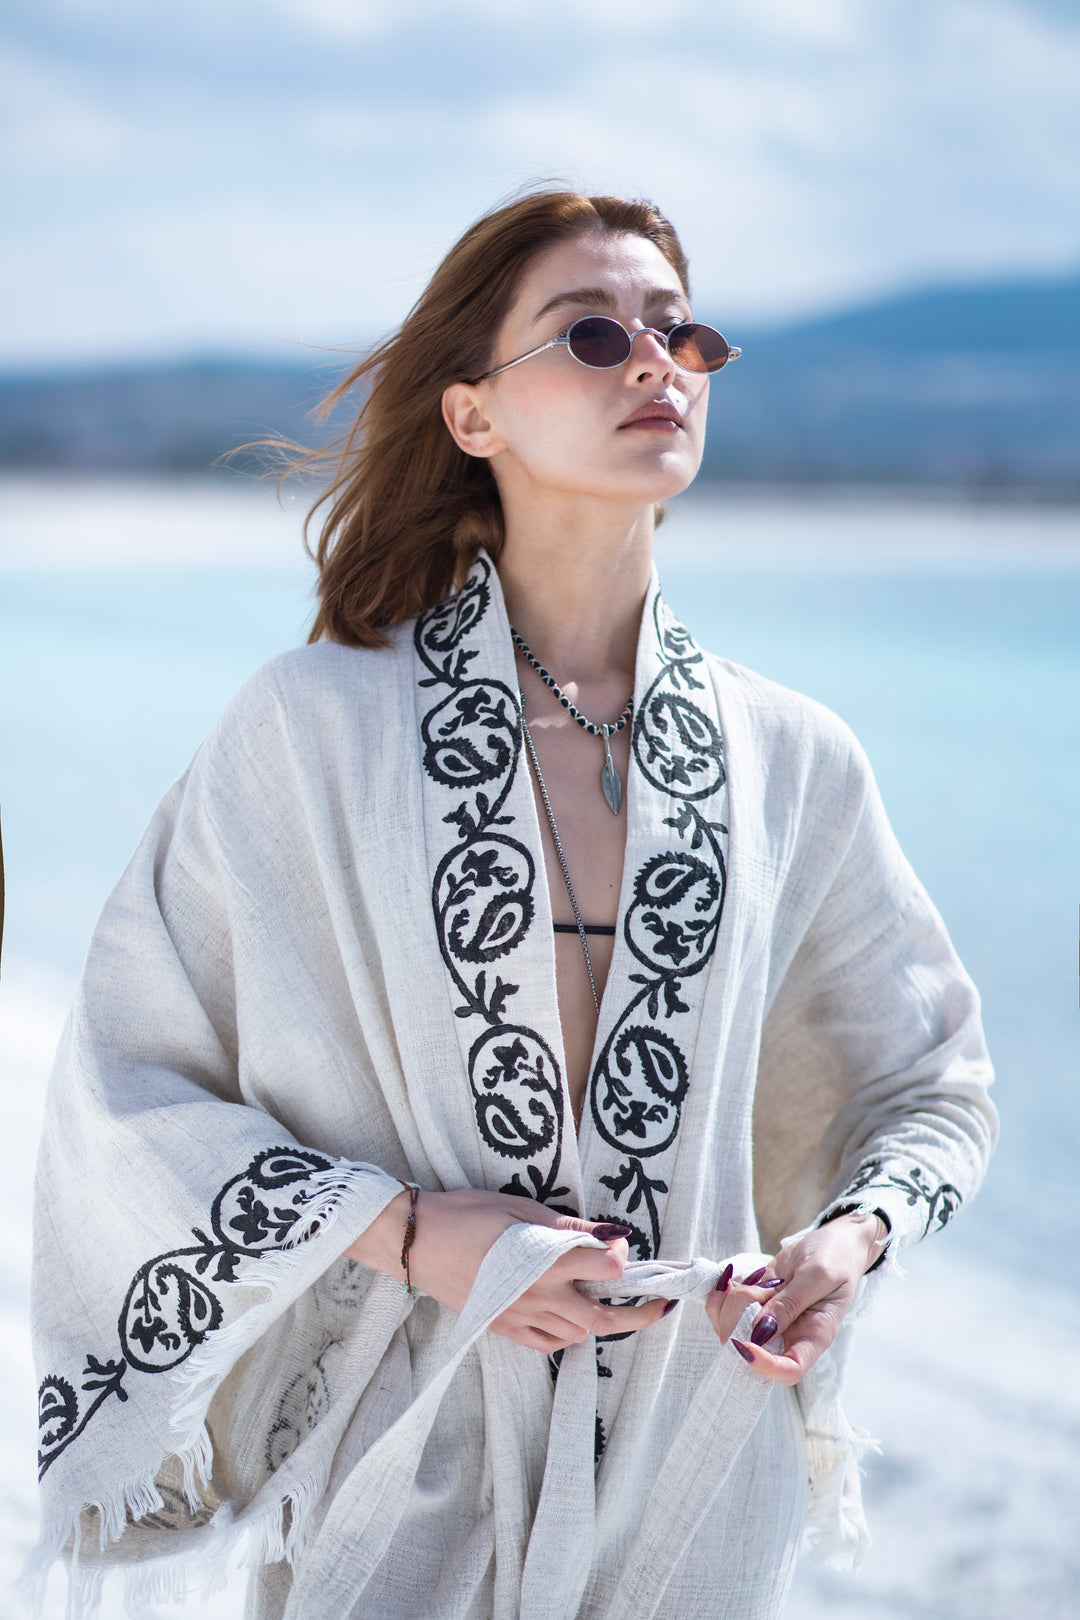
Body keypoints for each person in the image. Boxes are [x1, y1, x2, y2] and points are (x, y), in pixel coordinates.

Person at [30, 191, 996, 1620]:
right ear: (472, 415)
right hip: (399, 1468)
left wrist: (840, 1246)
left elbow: (932, 1087)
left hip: (698, 1464)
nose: (656, 366)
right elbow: (129, 1082)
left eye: (684, 335)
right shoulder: (317, 729)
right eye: (594, 334)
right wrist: (418, 1236)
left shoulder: (793, 759)